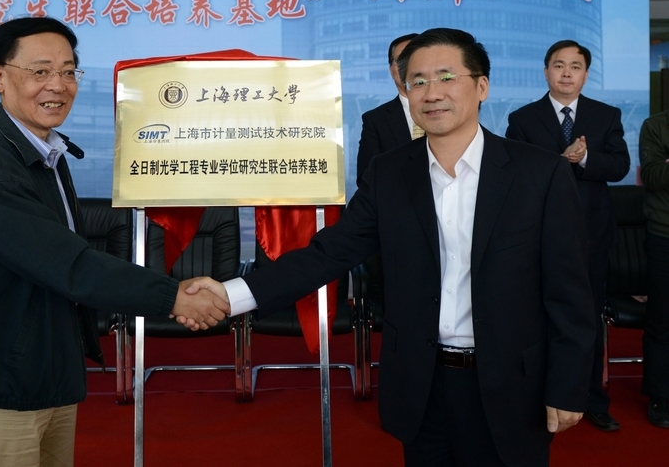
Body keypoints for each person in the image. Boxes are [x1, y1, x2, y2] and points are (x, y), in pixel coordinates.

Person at [183, 28, 595, 467]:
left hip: (512, 386)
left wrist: (568, 385)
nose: (431, 93)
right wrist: (230, 295)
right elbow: (329, 253)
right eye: (417, 81)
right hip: (421, 383)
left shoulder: (539, 174)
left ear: (481, 87)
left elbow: (569, 291)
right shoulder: (389, 174)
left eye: (446, 77)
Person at [0, 17, 227, 467]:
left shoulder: (45, 150)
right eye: (40, 71)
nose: (58, 85)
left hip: (45, 362)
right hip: (2, 375)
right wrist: (173, 297)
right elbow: (68, 263)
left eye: (68, 71)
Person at [505, 40, 630, 432]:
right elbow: (513, 173)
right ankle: (536, 395)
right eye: (559, 65)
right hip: (536, 235)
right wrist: (558, 163)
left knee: (585, 318)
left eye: (575, 67)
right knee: (535, 317)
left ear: (586, 75)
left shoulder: (606, 115)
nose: (566, 73)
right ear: (546, 71)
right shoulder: (523, 119)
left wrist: (586, 157)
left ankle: (590, 399)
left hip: (590, 236)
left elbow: (620, 166)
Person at [638, 111, 669, 428]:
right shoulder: (656, 126)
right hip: (665, 235)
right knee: (662, 320)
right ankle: (661, 396)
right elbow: (654, 176)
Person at [356, 32, 419, 185]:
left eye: (414, 57)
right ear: (391, 70)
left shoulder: (449, 111)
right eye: (401, 60)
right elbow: (366, 179)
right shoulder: (376, 121)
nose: (407, 65)